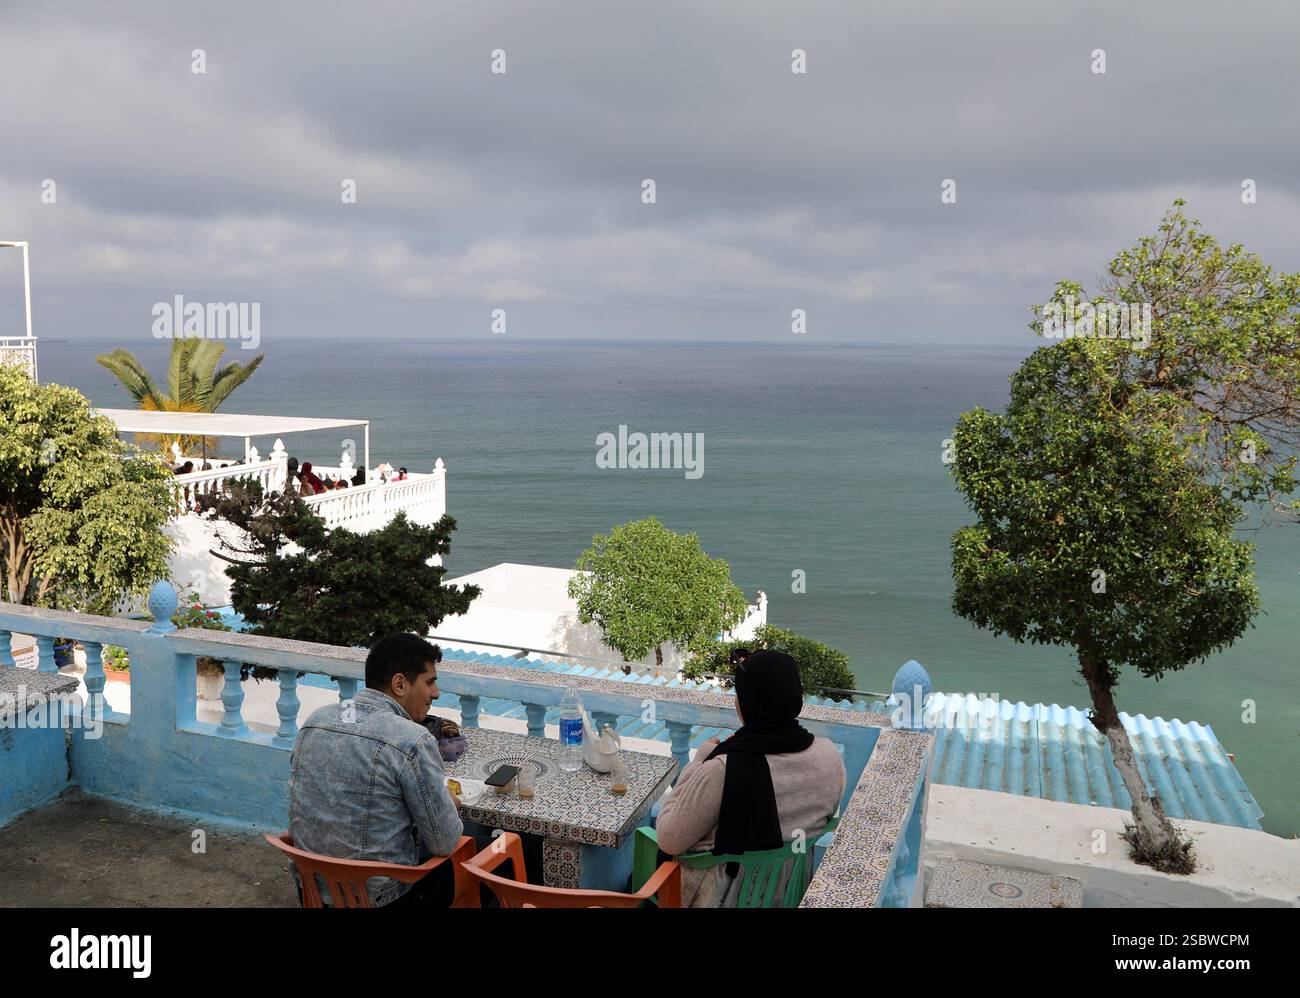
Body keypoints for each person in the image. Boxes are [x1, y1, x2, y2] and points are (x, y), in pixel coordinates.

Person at [653, 650, 845, 907]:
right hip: (783, 896)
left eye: (739, 694)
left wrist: (699, 762)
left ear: (749, 702)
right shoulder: (828, 755)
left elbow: (669, 838)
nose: (736, 702)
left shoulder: (722, 769)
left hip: (718, 898)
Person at [287, 633, 463, 907]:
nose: (435, 694)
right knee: (492, 855)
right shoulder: (412, 740)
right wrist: (446, 803)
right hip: (383, 899)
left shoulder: (315, 721)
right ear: (400, 684)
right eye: (430, 682)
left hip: (312, 892)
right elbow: (445, 842)